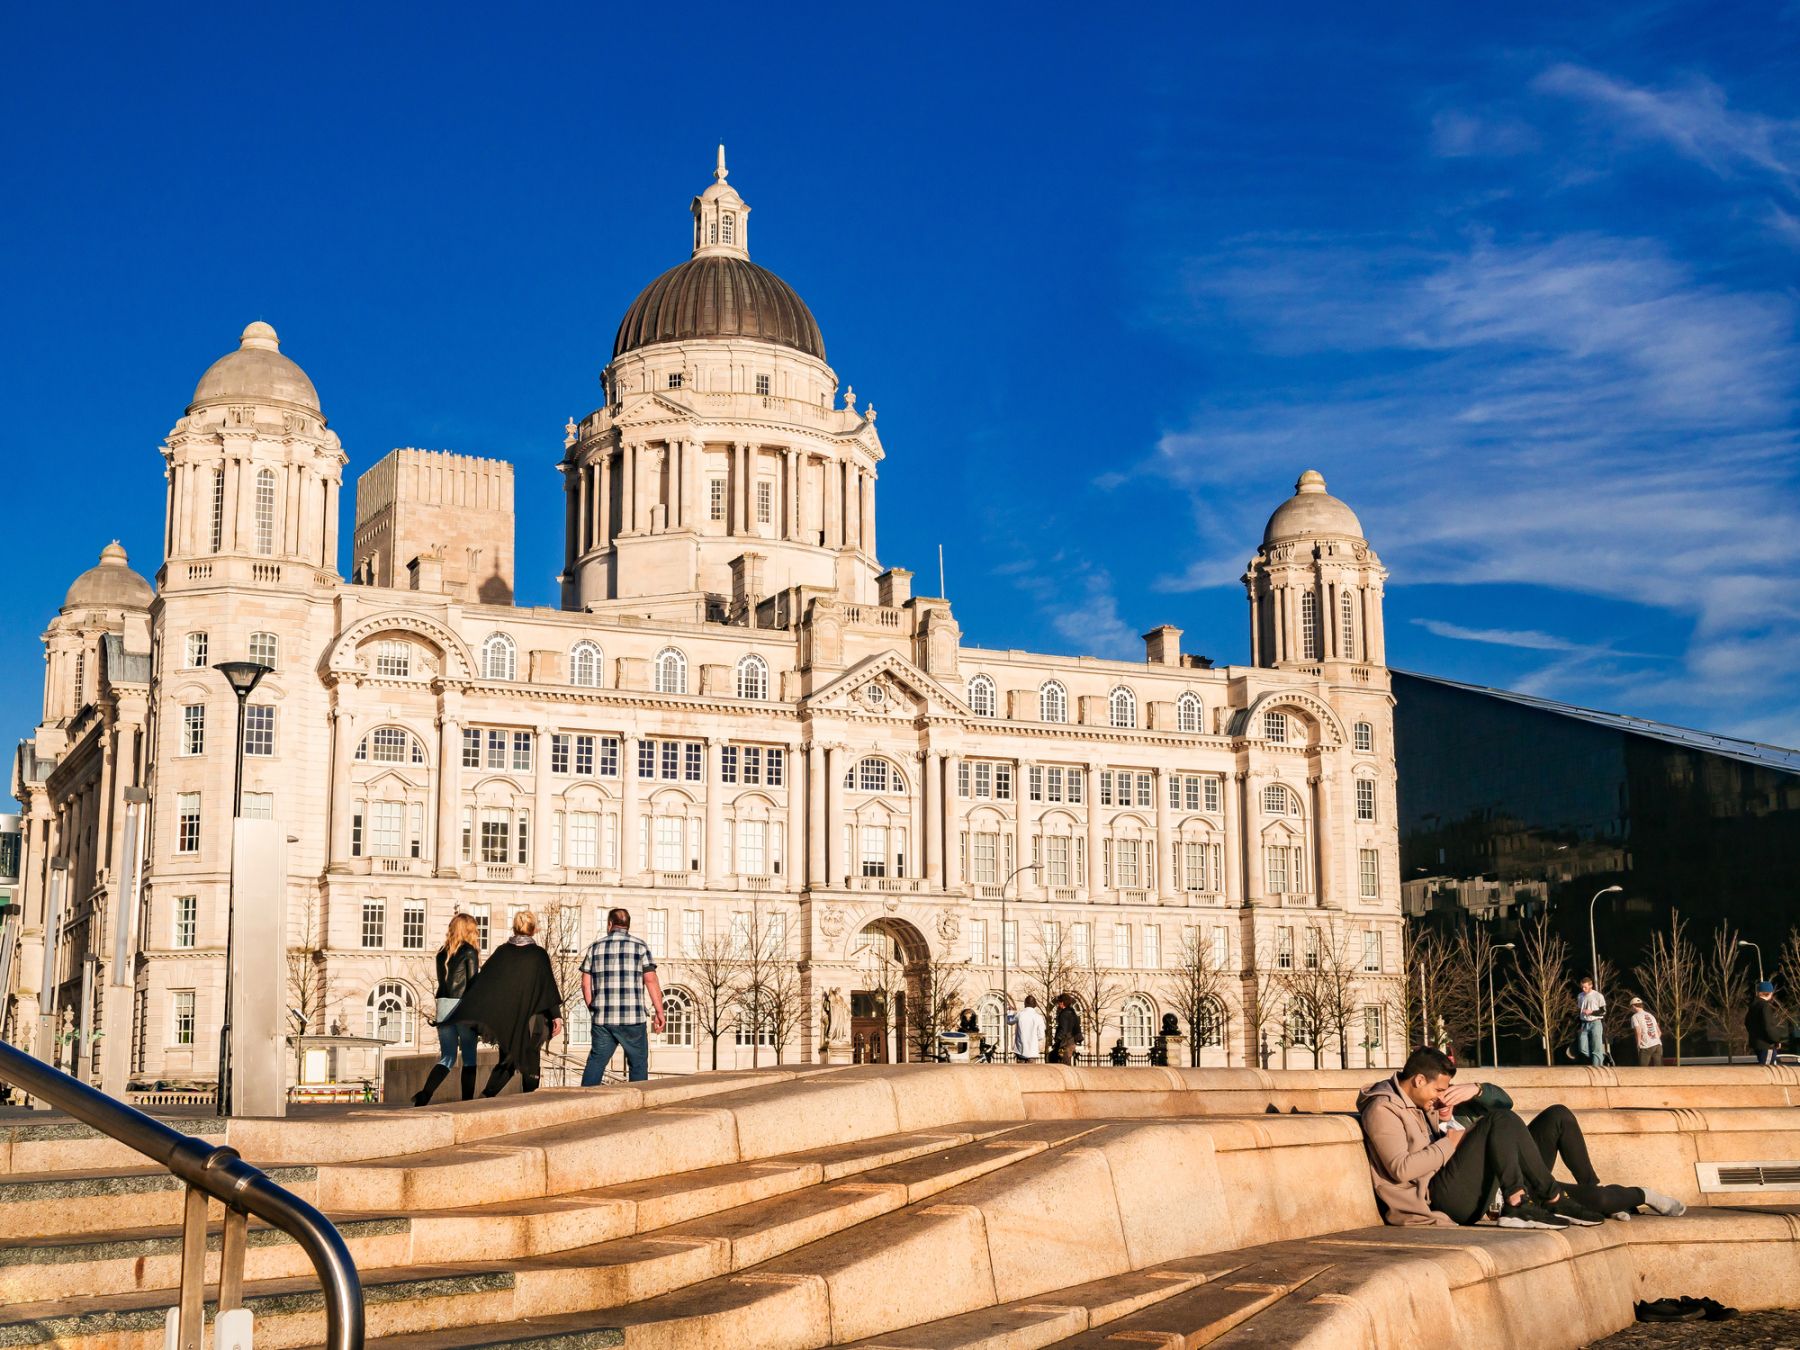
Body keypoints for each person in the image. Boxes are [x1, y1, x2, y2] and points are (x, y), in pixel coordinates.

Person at [1359, 1045, 1685, 1230]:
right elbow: (1401, 1169)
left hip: (1494, 1170)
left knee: (1555, 1114)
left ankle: (1549, 1195)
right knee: (1595, 1203)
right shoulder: (1384, 1109)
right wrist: (1451, 1138)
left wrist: (1473, 1093)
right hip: (1450, 1197)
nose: (1442, 1097)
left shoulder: (1429, 1101)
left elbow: (1504, 1105)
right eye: (1438, 1090)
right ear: (1417, 1080)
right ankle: (1638, 1194)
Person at [449, 909, 564, 1096]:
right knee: (529, 1060)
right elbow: (547, 986)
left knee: (508, 1060)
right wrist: (556, 1016)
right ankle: (525, 1100)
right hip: (533, 1019)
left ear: (514, 928)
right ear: (533, 929)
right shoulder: (538, 954)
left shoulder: (502, 952)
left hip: (508, 1019)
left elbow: (484, 981)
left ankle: (487, 1096)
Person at [579, 907, 665, 1085]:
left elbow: (585, 983)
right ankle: (638, 1103)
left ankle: (583, 1100)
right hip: (633, 1019)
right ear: (628, 925)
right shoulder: (640, 947)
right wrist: (660, 1011)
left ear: (610, 924)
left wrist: (592, 1008)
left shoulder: (594, 947)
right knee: (638, 1065)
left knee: (596, 1062)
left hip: (603, 1020)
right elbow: (650, 980)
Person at [413, 913, 482, 1106]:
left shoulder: (441, 953)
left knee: (447, 1057)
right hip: (461, 1006)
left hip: (443, 1005)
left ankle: (425, 1094)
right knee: (469, 1057)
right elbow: (473, 984)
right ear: (469, 930)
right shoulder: (470, 951)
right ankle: (467, 1102)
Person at [1747, 981, 1785, 1065]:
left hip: (1757, 1044)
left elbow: (1747, 1023)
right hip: (1767, 1045)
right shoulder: (1765, 1006)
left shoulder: (1753, 1006)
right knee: (1768, 1070)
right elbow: (1768, 1026)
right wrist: (1776, 1040)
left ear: (1758, 992)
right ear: (1770, 993)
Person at [1574, 977, 1607, 1067]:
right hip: (1584, 1023)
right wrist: (1579, 1025)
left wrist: (1591, 1011)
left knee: (1596, 1046)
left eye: (1585, 987)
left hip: (1595, 1022)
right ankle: (1600, 1054)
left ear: (1591, 985)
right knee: (1582, 1047)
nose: (1583, 989)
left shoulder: (1598, 996)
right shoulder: (1580, 996)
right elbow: (1579, 1009)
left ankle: (1597, 1065)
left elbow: (1603, 1011)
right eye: (1582, 987)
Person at [1010, 994, 1047, 1062]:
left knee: (1020, 1072)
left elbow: (1009, 1021)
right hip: (1032, 1051)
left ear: (1025, 1003)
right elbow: (1041, 1036)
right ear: (1035, 1004)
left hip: (1020, 1050)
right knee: (1032, 1072)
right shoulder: (1039, 1017)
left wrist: (1010, 1011)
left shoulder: (1020, 1014)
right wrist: (1033, 1039)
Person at [1628, 997, 1663, 1068]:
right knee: (1660, 1070)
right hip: (1658, 1045)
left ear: (1633, 1006)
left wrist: (1638, 1045)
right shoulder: (1651, 1015)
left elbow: (1638, 1031)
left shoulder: (1635, 1017)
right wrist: (1653, 1040)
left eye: (1631, 1007)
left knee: (1642, 1070)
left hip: (1646, 1046)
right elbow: (1659, 1032)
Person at [1051, 993, 1082, 1065]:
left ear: (1062, 1003)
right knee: (1066, 1060)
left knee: (1063, 1062)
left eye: (1059, 1002)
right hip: (1071, 1041)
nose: (1058, 1004)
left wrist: (1057, 1039)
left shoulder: (1064, 1014)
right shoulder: (1073, 1012)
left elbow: (1063, 1029)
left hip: (1065, 1043)